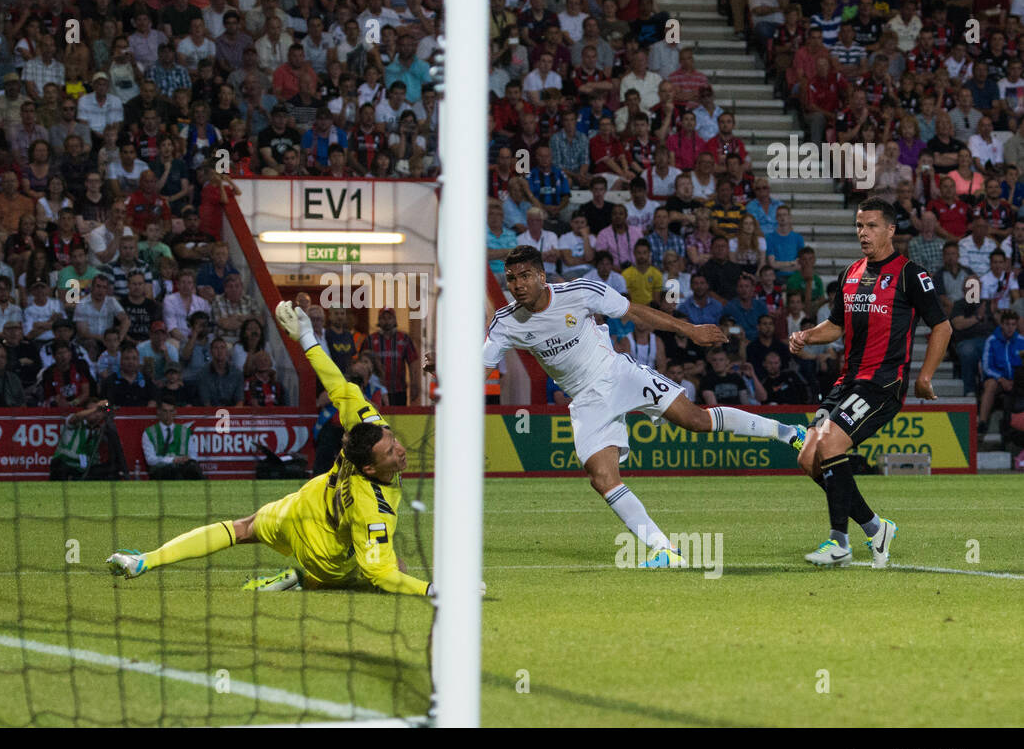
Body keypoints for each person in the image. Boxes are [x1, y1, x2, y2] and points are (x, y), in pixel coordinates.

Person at [430, 245, 805, 568]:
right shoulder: (506, 322)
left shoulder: (580, 291)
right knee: (602, 478)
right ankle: (664, 550)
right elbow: (479, 369)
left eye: (525, 276)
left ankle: (787, 432)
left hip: (617, 373)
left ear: (542, 276)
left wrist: (689, 330)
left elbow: (636, 312)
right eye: (511, 279)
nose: (517, 285)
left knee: (695, 420)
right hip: (586, 400)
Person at [107, 301, 433, 596]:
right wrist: (433, 590)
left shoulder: (369, 422)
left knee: (243, 528)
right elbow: (382, 574)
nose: (400, 450)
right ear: (370, 469)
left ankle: (144, 561)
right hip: (323, 553)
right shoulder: (374, 508)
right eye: (390, 452)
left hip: (302, 507)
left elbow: (335, 382)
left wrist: (306, 337)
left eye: (394, 441)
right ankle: (302, 579)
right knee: (386, 568)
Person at [790, 198, 952, 568]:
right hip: (846, 382)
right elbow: (836, 325)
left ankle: (838, 542)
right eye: (859, 226)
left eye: (872, 226)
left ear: (891, 230)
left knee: (830, 442)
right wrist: (806, 336)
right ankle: (875, 527)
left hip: (882, 384)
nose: (863, 232)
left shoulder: (911, 274)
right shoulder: (851, 273)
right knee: (808, 457)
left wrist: (924, 376)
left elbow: (942, 326)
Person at [48, 398, 127, 480]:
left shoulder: (100, 429)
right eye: (91, 410)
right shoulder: (75, 422)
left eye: (98, 412)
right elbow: (77, 417)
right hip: (66, 463)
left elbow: (109, 411)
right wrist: (96, 408)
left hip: (83, 468)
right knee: (60, 467)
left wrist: (107, 405)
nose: (94, 414)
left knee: (110, 471)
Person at [141, 397, 203, 479]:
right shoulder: (149, 433)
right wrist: (172, 460)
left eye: (171, 411)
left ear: (175, 412)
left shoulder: (184, 431)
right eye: (165, 411)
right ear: (158, 412)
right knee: (172, 471)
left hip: (182, 467)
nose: (168, 415)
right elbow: (151, 460)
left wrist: (186, 459)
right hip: (161, 469)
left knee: (193, 467)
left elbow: (194, 456)